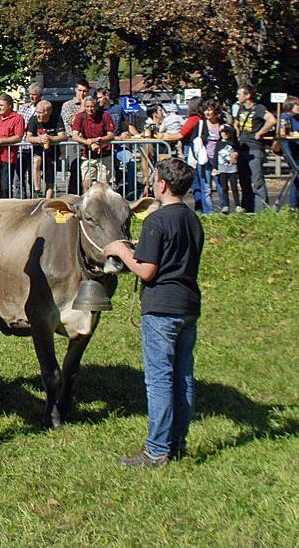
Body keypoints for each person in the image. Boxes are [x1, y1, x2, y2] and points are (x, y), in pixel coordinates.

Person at [104, 157, 203, 467]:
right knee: (183, 377)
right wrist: (141, 245)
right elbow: (172, 253)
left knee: (159, 380)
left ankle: (156, 451)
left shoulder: (156, 221)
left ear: (161, 185)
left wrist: (120, 250)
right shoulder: (191, 218)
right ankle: (177, 443)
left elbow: (147, 271)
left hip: (162, 308)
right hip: (188, 304)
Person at [233, 85, 276, 212]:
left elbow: (272, 120)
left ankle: (261, 210)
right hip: (243, 147)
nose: (237, 96)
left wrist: (260, 132)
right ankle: (247, 208)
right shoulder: (241, 108)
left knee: (257, 180)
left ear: (248, 95)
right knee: (244, 180)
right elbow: (236, 123)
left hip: (254, 148)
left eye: (239, 94)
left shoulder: (259, 108)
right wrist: (237, 133)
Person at [0, 93, 26, 199]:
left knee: (5, 188)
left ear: (9, 105)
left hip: (7, 157)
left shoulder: (17, 118)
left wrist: (1, 141)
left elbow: (18, 137)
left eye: (2, 105)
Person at [71, 96, 115, 192]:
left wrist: (97, 140)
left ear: (96, 106)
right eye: (87, 106)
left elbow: (111, 135)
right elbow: (74, 135)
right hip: (88, 155)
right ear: (84, 106)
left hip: (104, 154)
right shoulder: (80, 117)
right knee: (86, 183)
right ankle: (87, 205)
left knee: (103, 185)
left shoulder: (105, 115)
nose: (90, 109)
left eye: (92, 106)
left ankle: (103, 206)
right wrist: (87, 142)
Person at [24, 99, 66, 198]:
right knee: (37, 160)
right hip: (38, 151)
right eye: (37, 112)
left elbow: (63, 136)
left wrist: (50, 138)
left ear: (48, 113)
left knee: (50, 181)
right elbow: (28, 137)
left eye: (40, 113)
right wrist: (39, 139)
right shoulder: (33, 120)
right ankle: (37, 190)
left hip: (52, 153)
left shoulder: (57, 119)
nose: (38, 115)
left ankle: (47, 202)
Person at [214, 124, 242, 213]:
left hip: (232, 168)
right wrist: (214, 167)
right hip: (222, 168)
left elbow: (238, 151)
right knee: (224, 188)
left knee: (234, 187)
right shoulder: (219, 143)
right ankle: (226, 205)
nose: (224, 134)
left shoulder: (233, 143)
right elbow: (215, 156)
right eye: (222, 132)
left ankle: (237, 205)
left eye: (226, 132)